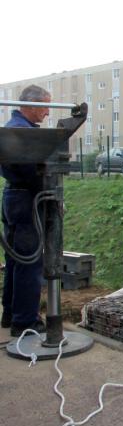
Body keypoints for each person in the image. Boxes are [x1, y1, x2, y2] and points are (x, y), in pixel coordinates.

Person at [1, 85, 51, 336]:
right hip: (26, 199)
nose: (48, 112)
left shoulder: (15, 127)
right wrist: (50, 191)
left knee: (15, 259)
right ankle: (25, 322)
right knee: (30, 260)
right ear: (30, 105)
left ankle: (10, 313)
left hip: (15, 198)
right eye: (45, 106)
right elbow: (30, 171)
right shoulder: (23, 133)